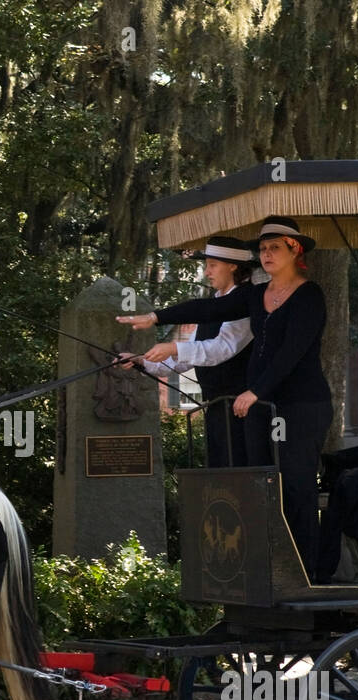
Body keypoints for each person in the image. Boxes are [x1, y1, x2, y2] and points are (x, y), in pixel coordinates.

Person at [117, 216, 333, 581]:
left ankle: (306, 579)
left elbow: (291, 353)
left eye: (274, 247)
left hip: (301, 406)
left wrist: (255, 390)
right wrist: (155, 317)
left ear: (295, 250)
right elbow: (207, 309)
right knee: (257, 487)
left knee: (295, 489)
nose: (266, 254)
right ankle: (266, 575)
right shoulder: (255, 296)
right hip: (263, 408)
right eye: (262, 249)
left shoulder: (309, 295)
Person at [121, 236, 255, 467]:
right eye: (206, 265)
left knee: (241, 473)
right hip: (215, 407)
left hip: (243, 410)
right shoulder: (212, 304)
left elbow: (220, 349)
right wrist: (142, 361)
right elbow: (183, 359)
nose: (206, 272)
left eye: (212, 265)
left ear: (233, 265)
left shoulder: (245, 301)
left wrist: (173, 347)